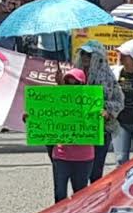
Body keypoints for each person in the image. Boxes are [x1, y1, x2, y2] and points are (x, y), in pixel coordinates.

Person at [74, 41, 124, 182]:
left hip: (101, 129)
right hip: (79, 129)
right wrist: (61, 83)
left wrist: (107, 111)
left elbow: (119, 101)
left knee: (95, 170)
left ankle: (95, 202)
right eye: (83, 53)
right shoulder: (74, 73)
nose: (84, 57)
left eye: (89, 54)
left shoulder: (108, 78)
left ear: (98, 56)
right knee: (79, 170)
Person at [50, 68, 96, 201]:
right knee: (59, 194)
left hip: (83, 157)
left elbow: (96, 120)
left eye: (75, 84)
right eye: (68, 83)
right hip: (61, 154)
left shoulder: (90, 101)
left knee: (80, 195)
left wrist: (103, 115)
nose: (71, 87)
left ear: (82, 85)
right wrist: (31, 116)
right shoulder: (55, 99)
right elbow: (42, 113)